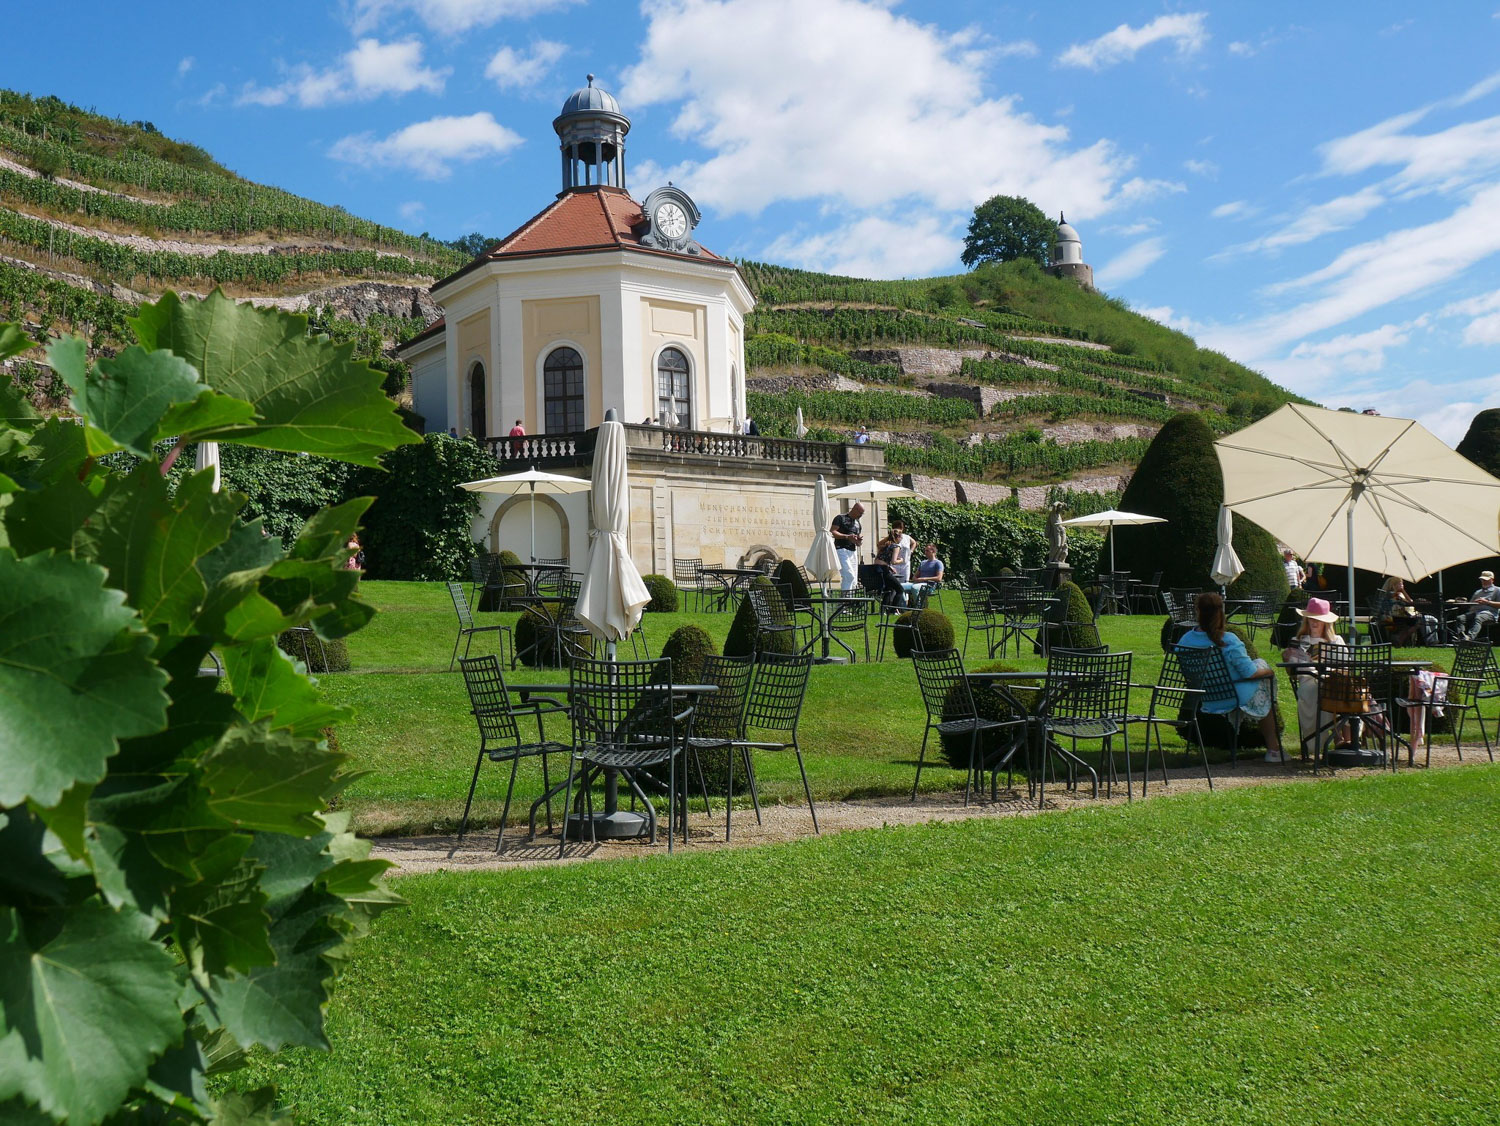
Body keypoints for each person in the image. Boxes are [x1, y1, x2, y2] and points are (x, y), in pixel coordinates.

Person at [1176, 591, 1284, 762]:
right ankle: (1274, 749)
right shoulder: (1228, 640)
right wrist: (1269, 671)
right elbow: (1249, 673)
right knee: (1264, 677)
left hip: (1206, 696)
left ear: (1197, 611)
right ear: (1221, 612)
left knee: (1261, 672)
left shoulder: (1185, 641)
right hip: (1234, 695)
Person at [1283, 596, 1345, 757]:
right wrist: (1288, 659)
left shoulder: (1336, 641)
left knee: (1332, 687)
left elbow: (1346, 668)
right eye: (1311, 619)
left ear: (1326, 622)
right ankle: (1335, 736)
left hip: (1332, 679)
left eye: (1319, 619)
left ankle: (1340, 737)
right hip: (1308, 679)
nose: (1314, 622)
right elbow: (1293, 674)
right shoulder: (1298, 641)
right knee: (1317, 689)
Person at [1373, 576, 1439, 646]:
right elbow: (1410, 603)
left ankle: (1431, 640)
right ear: (1393, 585)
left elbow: (1410, 603)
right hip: (1391, 619)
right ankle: (1430, 642)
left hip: (1396, 617)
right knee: (1421, 620)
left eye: (1402, 584)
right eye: (1400, 584)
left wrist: (1403, 591)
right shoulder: (1392, 595)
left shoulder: (1395, 594)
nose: (1402, 586)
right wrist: (1403, 592)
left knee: (1431, 619)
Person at [830, 502, 864, 592]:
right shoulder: (840, 518)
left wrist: (858, 541)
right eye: (860, 513)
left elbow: (858, 543)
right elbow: (833, 531)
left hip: (852, 551)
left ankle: (850, 601)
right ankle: (845, 601)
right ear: (854, 509)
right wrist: (847, 537)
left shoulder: (857, 524)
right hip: (841, 549)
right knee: (849, 575)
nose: (861, 515)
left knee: (854, 580)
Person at [870, 528, 907, 610]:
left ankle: (883, 610)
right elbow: (893, 561)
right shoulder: (896, 546)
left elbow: (878, 560)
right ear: (899, 537)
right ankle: (893, 609)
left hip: (876, 569)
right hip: (884, 570)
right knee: (900, 589)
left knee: (889, 589)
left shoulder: (884, 545)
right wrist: (901, 560)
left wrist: (889, 566)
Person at [1462, 570, 1500, 641]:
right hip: (1475, 612)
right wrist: (1464, 602)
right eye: (1482, 580)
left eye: (1485, 580)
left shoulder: (1497, 590)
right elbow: (1470, 604)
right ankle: (1461, 637)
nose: (1483, 581)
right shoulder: (1478, 592)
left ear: (1492, 580)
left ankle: (1469, 637)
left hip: (1490, 613)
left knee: (1478, 618)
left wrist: (1487, 602)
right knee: (1460, 618)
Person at [907, 543, 944, 607]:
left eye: (927, 551)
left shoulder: (938, 563)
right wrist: (915, 579)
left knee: (915, 588)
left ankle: (919, 607)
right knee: (900, 586)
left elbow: (939, 578)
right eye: (925, 550)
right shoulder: (923, 563)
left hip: (929, 586)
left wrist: (923, 579)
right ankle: (902, 609)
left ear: (933, 551)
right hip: (918, 584)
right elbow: (915, 576)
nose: (925, 552)